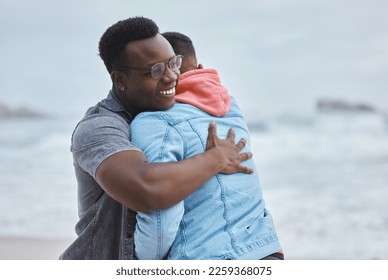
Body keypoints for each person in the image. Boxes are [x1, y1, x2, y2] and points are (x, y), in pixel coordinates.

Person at [59, 17, 253, 260]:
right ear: (120, 80)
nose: (172, 76)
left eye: (173, 63)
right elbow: (146, 189)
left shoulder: (171, 117)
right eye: (156, 70)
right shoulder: (99, 128)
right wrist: (216, 158)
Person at [132, 32, 283, 260]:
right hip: (266, 249)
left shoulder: (155, 122)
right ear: (199, 67)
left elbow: (161, 218)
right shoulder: (231, 106)